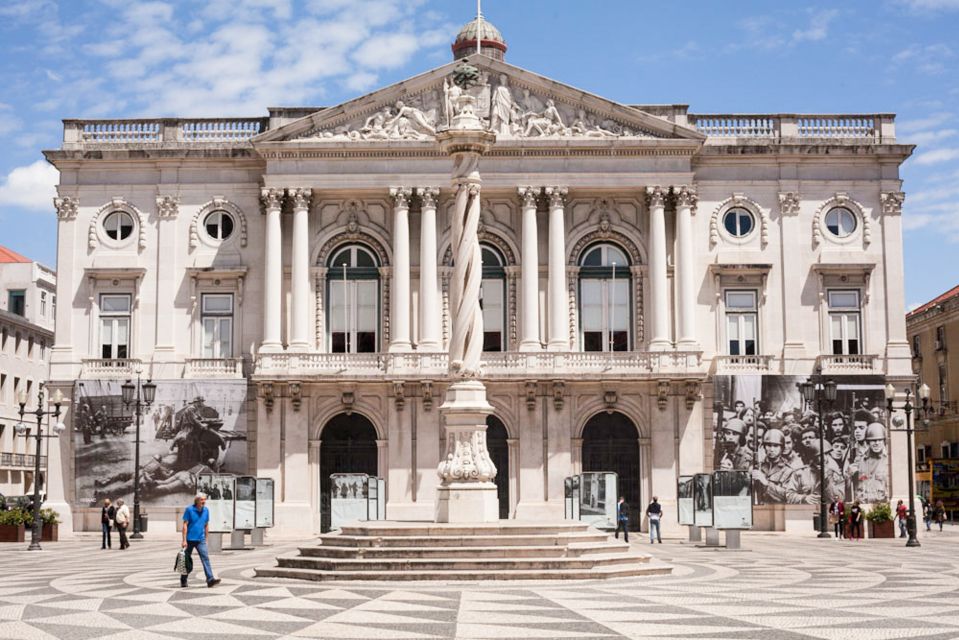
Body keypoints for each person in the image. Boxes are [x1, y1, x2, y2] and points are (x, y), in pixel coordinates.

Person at [181, 493, 221, 588]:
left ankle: (210, 579)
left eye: (204, 500)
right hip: (189, 539)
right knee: (187, 561)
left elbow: (206, 525)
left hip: (200, 539)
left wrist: (206, 539)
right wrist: (184, 540)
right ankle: (183, 579)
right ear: (197, 500)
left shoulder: (206, 511)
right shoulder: (189, 510)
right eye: (202, 500)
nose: (203, 502)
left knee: (205, 558)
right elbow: (185, 525)